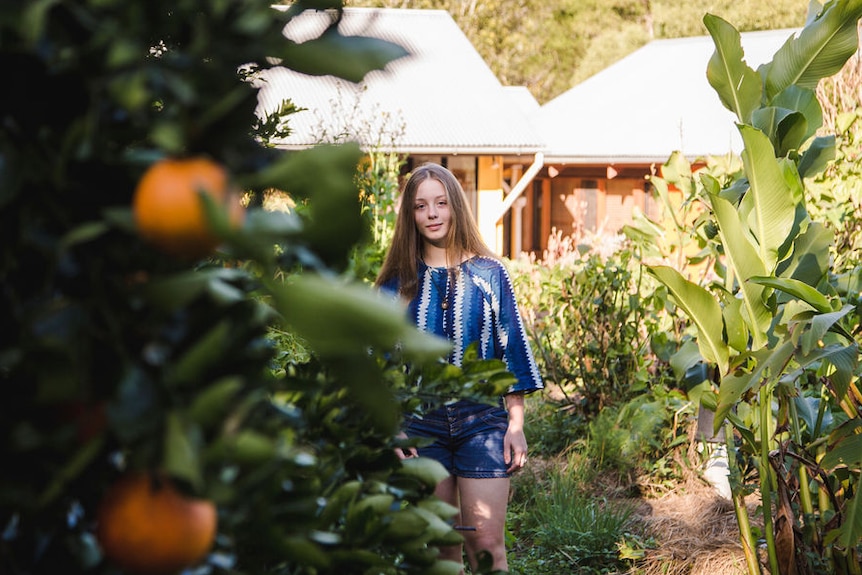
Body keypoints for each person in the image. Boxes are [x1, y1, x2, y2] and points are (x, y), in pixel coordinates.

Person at [375, 162, 543, 573]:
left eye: (440, 203)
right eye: (420, 206)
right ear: (410, 216)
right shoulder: (395, 284)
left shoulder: (490, 273)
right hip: (421, 426)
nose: (431, 214)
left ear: (455, 208)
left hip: (482, 422)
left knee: (486, 545)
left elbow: (511, 351)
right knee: (441, 548)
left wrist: (515, 424)